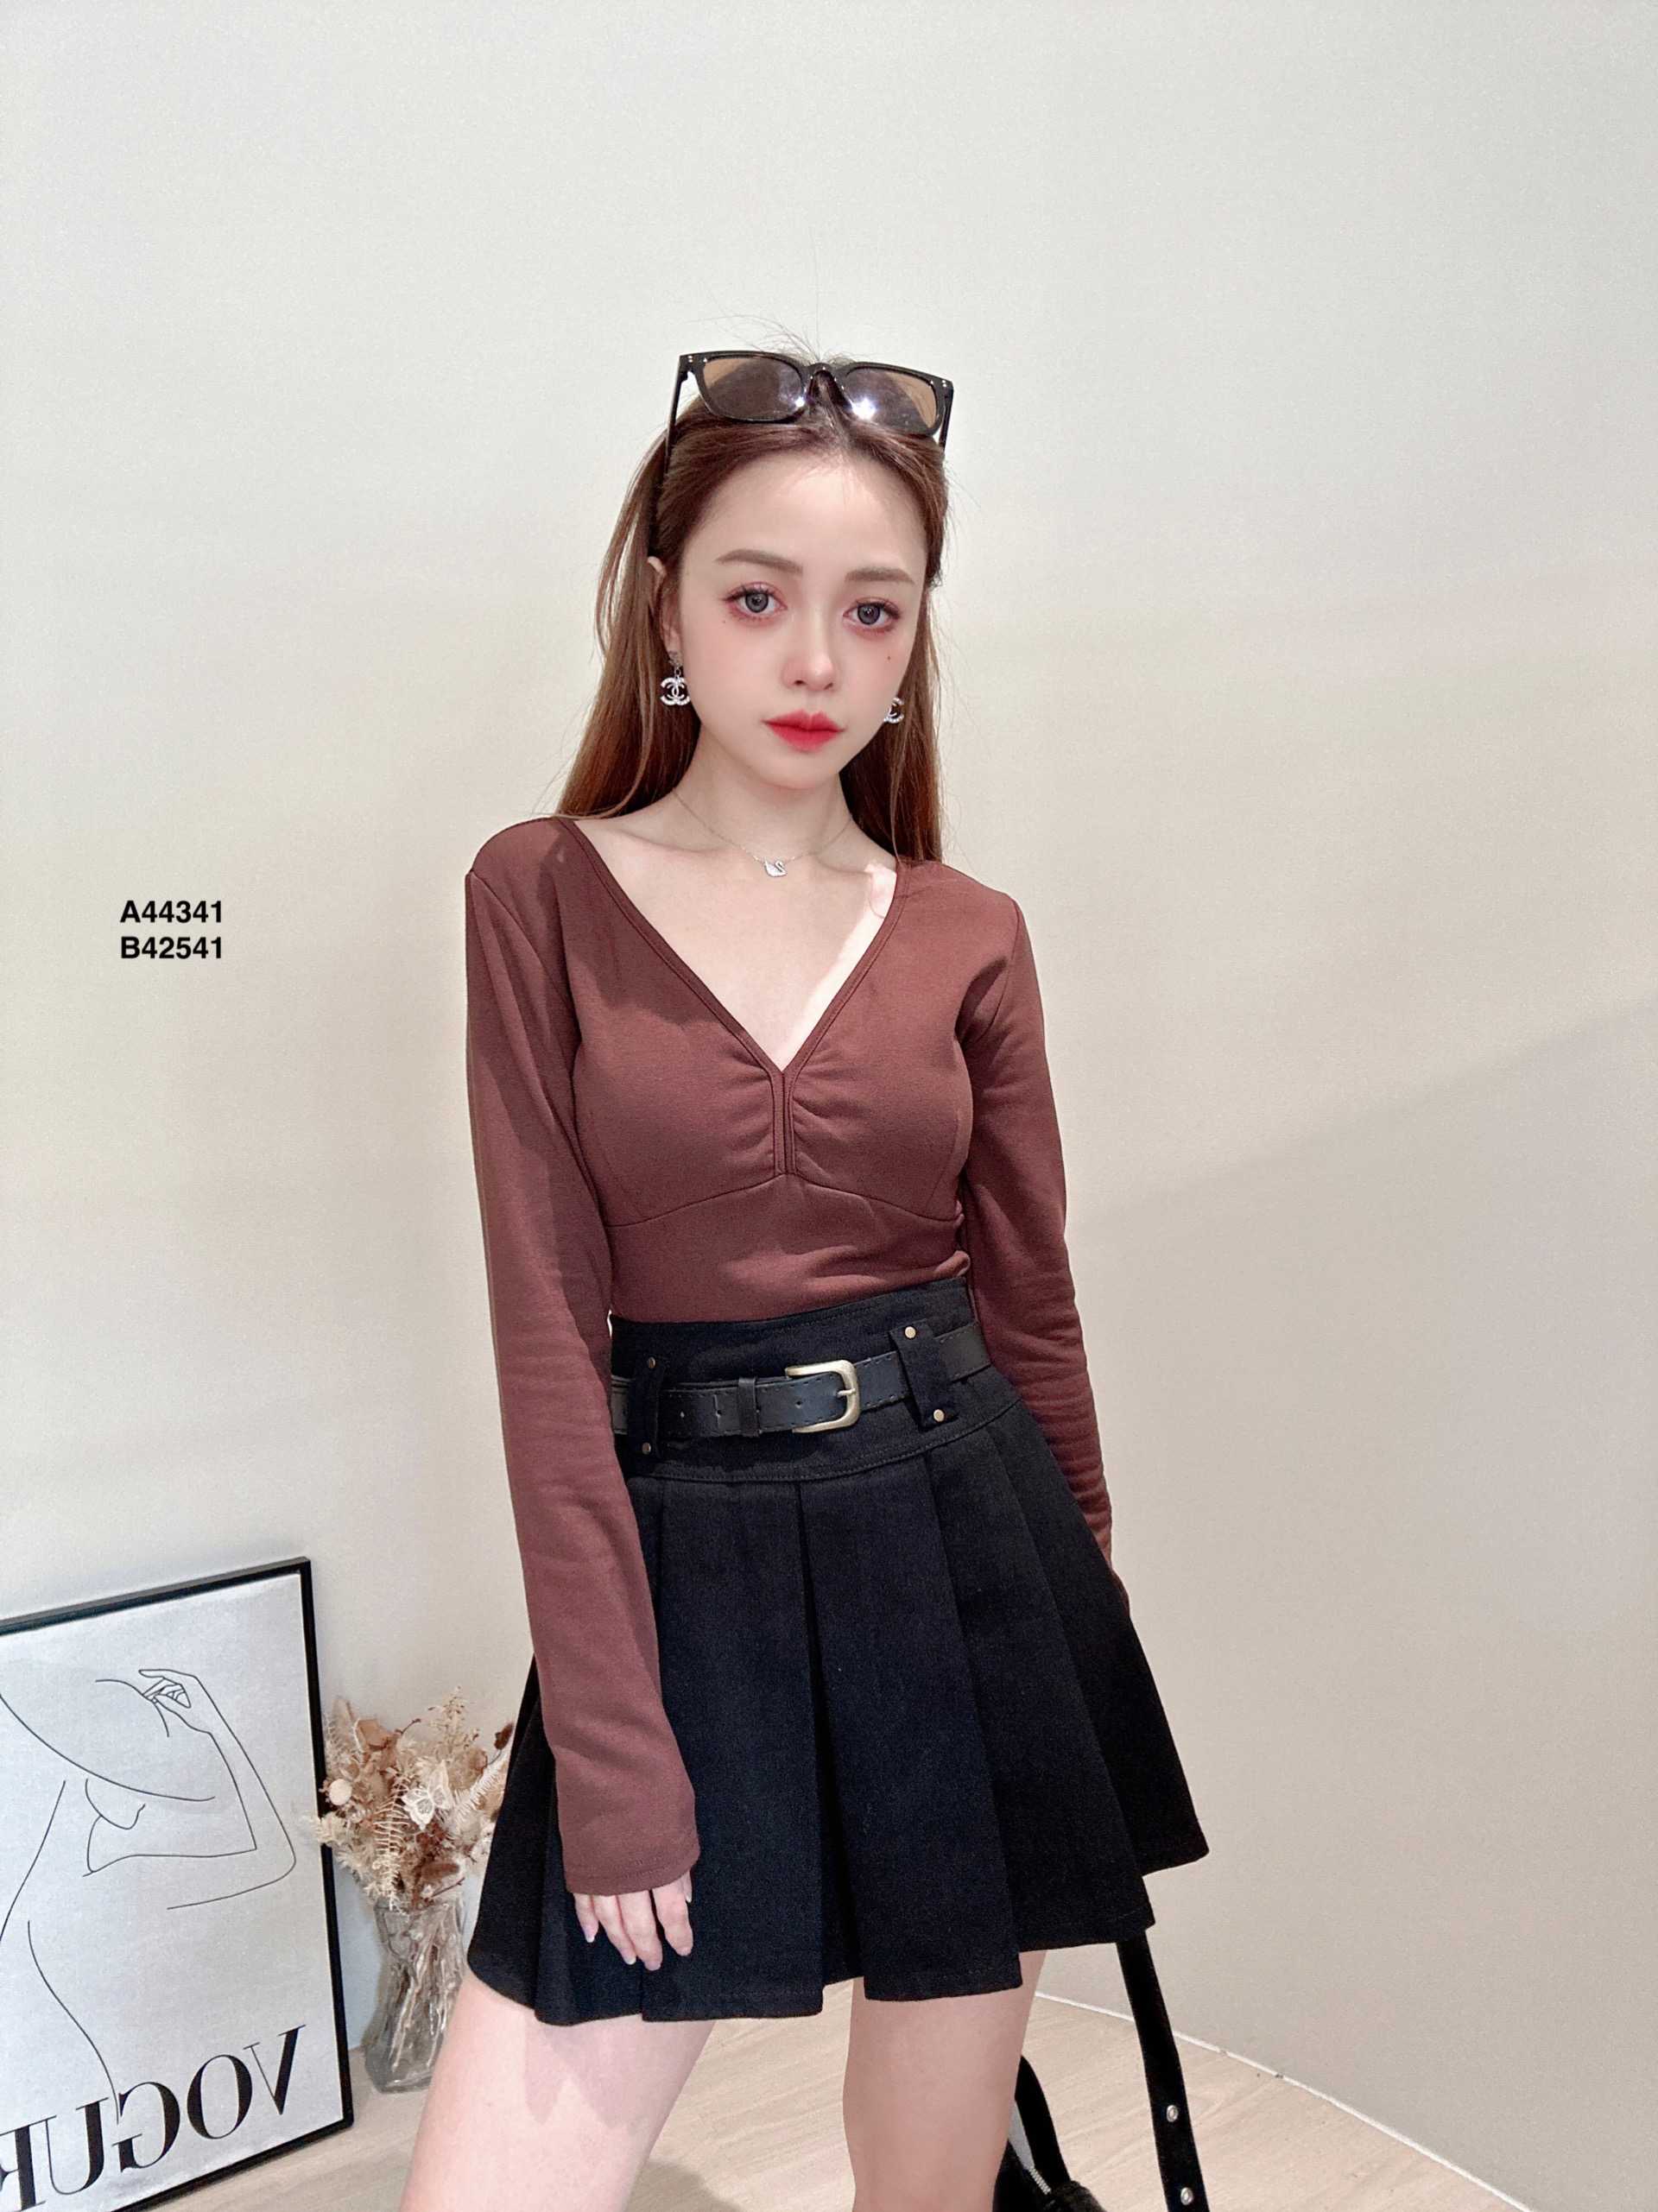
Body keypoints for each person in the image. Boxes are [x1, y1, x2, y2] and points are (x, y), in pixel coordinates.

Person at [400, 351, 1208, 2212]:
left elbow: (1031, 1300)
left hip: (966, 1539)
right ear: (666, 608)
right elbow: (546, 1333)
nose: (817, 661)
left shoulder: (969, 932)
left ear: (917, 639)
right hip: (682, 1553)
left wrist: (1075, 1608)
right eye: (759, 597)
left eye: (873, 610)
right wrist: (611, 1751)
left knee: (925, 2188)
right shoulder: (538, 892)